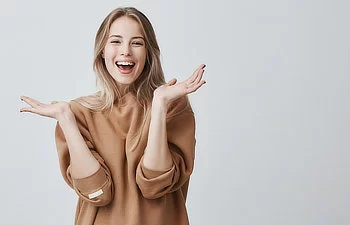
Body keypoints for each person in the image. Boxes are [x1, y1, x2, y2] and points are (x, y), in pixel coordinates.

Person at [20, 6, 205, 225]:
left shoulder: (172, 105)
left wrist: (159, 106)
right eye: (115, 41)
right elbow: (96, 192)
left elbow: (154, 185)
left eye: (137, 43)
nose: (126, 51)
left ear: (148, 53)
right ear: (102, 51)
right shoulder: (80, 113)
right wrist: (66, 118)